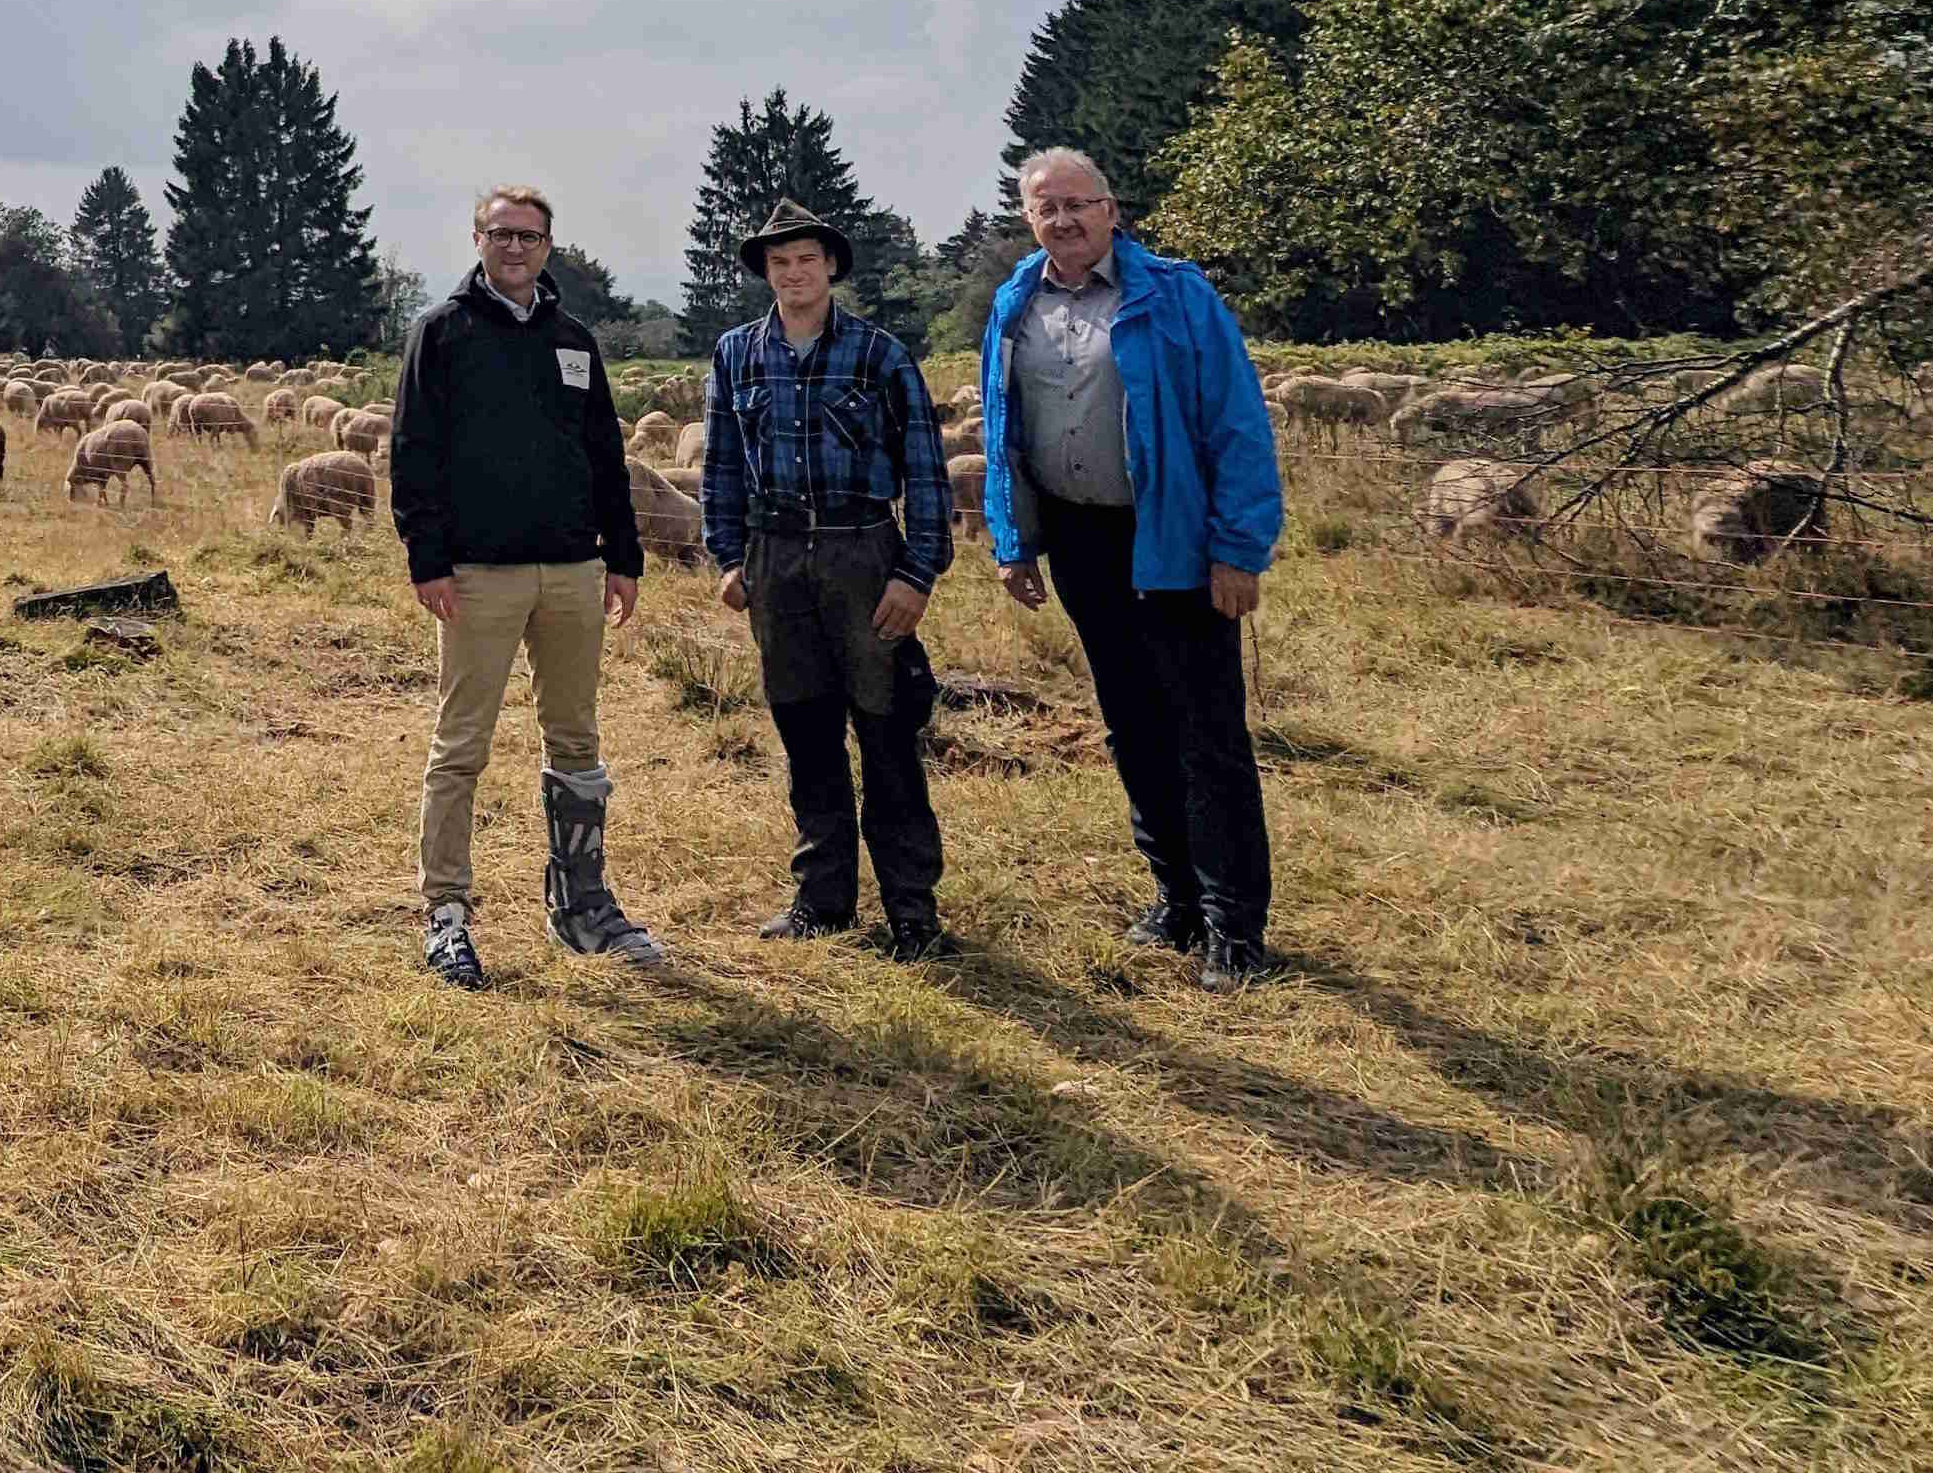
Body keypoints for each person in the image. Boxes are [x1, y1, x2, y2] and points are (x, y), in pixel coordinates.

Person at [976, 148, 1285, 992]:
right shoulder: (1015, 303)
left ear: (1111, 210)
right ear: (1029, 220)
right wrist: (1012, 538)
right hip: (1082, 541)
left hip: (1172, 536)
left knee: (1206, 732)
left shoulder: (1177, 295)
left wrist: (1238, 547)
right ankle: (1175, 899)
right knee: (1131, 722)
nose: (1064, 219)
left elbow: (1235, 422)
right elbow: (1003, 428)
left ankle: (1233, 925)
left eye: (1079, 203)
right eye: (1047, 207)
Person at [390, 182, 658, 990]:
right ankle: (446, 914)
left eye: (529, 236)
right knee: (461, 745)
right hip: (477, 574)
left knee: (576, 740)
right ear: (478, 240)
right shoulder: (442, 333)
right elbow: (413, 449)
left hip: (573, 570)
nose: (515, 247)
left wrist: (624, 555)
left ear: (548, 246)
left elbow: (604, 453)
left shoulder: (573, 340)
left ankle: (580, 906)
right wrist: (427, 559)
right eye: (501, 234)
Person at [700, 197, 955, 959]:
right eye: (779, 262)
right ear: (765, 273)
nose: (794, 273)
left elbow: (925, 471)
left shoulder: (880, 355)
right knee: (805, 730)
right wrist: (728, 557)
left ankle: (912, 909)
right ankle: (822, 899)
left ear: (832, 265)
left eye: (806, 259)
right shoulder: (737, 355)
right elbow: (720, 467)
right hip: (776, 558)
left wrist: (917, 572)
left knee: (886, 730)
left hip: (862, 550)